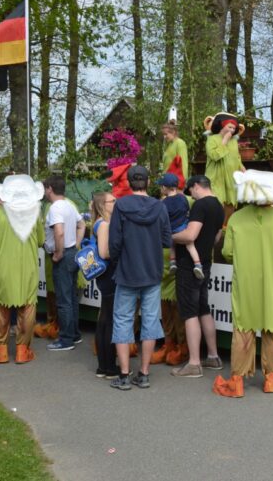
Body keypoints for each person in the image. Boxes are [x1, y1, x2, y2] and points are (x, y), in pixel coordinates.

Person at [213, 171, 273, 398]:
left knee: (242, 329)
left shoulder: (235, 219)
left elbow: (227, 252)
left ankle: (237, 381)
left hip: (245, 283)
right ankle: (272, 379)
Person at [109, 165, 171, 390]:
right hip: (152, 271)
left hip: (127, 271)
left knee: (123, 320)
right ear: (148, 182)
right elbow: (167, 239)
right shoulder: (159, 207)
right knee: (151, 321)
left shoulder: (121, 206)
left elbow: (114, 242)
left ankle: (124, 375)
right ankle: (144, 373)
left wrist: (117, 261)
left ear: (128, 182)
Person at [169, 174, 226, 378]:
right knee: (203, 308)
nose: (191, 195)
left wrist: (169, 236)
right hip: (205, 262)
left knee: (189, 312)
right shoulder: (219, 206)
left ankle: (194, 363)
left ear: (196, 186)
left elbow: (190, 235)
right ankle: (213, 356)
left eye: (190, 190)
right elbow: (217, 236)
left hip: (188, 265)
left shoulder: (200, 205)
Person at [0, 175, 44, 364]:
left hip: (4, 267)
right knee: (28, 307)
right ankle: (22, 351)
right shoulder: (35, 214)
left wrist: (1, 248)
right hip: (28, 268)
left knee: (1, 308)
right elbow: (41, 240)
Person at [44, 176, 85, 351]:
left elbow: (59, 232)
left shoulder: (55, 208)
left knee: (64, 300)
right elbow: (82, 225)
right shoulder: (69, 205)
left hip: (63, 256)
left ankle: (66, 339)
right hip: (72, 253)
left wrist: (59, 252)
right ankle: (74, 334)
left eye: (45, 188)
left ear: (50, 189)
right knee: (71, 298)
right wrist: (76, 244)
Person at [90, 191, 120, 378]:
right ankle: (109, 366)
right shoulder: (104, 225)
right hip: (108, 274)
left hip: (104, 275)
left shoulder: (99, 223)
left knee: (105, 318)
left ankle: (103, 365)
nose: (116, 202)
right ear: (103, 205)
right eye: (112, 201)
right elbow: (104, 252)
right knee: (109, 320)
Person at [204, 112, 246, 221]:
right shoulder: (212, 139)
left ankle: (226, 226)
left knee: (231, 201)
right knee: (217, 201)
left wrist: (242, 167)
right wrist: (224, 141)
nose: (232, 130)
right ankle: (216, 226)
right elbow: (214, 156)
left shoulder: (234, 141)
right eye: (229, 127)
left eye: (234, 128)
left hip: (231, 177)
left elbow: (236, 157)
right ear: (222, 126)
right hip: (216, 177)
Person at [160, 173, 203, 279]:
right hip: (183, 227)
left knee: (172, 244)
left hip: (171, 229)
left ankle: (173, 262)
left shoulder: (163, 203)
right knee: (190, 245)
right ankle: (197, 264)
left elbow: (163, 218)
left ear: (164, 188)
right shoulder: (182, 198)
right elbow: (187, 210)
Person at [161, 122, 189, 189]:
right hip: (168, 180)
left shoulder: (180, 143)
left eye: (166, 134)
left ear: (173, 132)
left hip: (176, 182)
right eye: (163, 134)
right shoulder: (169, 145)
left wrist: (182, 181)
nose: (164, 137)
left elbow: (183, 163)